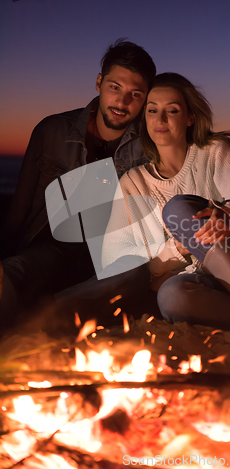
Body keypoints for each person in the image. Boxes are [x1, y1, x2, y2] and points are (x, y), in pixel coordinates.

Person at [101, 73, 230, 347]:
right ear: (144, 118)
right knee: (171, 295)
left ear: (190, 117)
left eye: (171, 110)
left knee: (177, 210)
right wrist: (181, 247)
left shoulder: (214, 150)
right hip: (210, 288)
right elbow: (141, 266)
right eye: (152, 111)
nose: (160, 119)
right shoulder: (133, 182)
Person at [0, 39, 156, 331]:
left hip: (109, 255)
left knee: (135, 276)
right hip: (52, 248)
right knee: (12, 272)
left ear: (147, 97)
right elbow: (21, 205)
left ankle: (38, 321)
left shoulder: (150, 146)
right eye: (115, 88)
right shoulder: (52, 130)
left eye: (135, 94)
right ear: (99, 82)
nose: (122, 103)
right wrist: (11, 252)